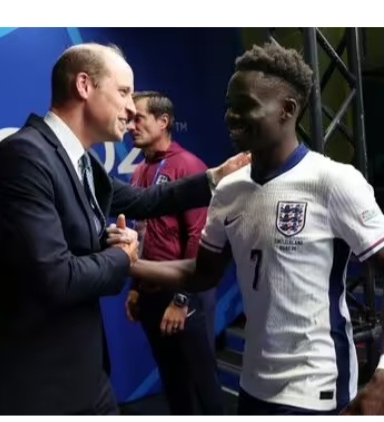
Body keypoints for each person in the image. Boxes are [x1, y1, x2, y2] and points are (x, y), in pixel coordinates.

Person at [109, 41, 384, 415]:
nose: (231, 118)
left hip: (316, 388)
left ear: (287, 110)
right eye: (229, 107)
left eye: (245, 107)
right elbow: (203, 273)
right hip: (252, 385)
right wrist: (129, 262)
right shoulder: (228, 190)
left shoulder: (333, 181)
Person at [0, 42, 249, 415]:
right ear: (84, 86)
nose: (133, 108)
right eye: (123, 92)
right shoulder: (24, 157)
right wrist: (122, 255)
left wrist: (214, 178)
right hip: (40, 386)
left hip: (84, 376)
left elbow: (143, 201)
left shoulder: (77, 160)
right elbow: (55, 277)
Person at [125, 91, 224, 415]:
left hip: (184, 294)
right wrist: (136, 290)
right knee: (173, 383)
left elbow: (200, 236)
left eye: (138, 118)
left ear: (164, 121)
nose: (130, 125)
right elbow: (140, 233)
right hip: (152, 293)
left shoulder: (189, 166)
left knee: (202, 385)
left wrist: (182, 300)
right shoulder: (139, 171)